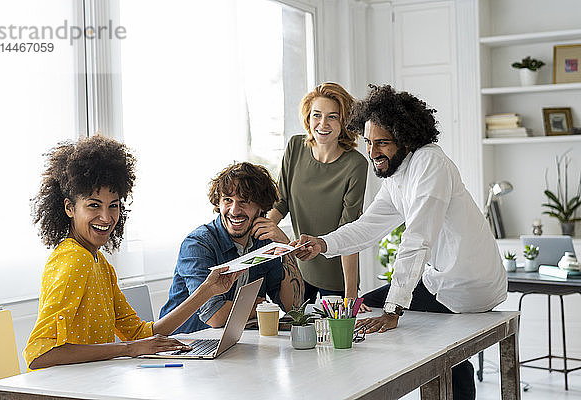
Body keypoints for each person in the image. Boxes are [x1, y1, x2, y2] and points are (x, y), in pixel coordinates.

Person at [293, 84, 508, 400]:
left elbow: (417, 239)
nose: (372, 151)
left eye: (382, 143)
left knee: (371, 310)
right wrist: (323, 244)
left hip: (466, 285)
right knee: (371, 307)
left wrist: (394, 309)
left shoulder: (429, 163)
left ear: (406, 140)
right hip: (444, 281)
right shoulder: (397, 174)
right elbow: (367, 227)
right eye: (368, 142)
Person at [24, 135, 243, 370]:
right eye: (94, 205)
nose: (107, 217)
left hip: (89, 384)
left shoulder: (98, 262)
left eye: (114, 205)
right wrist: (128, 349)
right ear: (69, 208)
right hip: (60, 390)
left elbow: (140, 334)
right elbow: (40, 354)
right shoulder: (73, 259)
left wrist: (208, 289)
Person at [159, 162, 304, 334]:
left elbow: (293, 308)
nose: (234, 211)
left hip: (236, 342)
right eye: (227, 200)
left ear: (261, 208)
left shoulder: (265, 241)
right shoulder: (198, 244)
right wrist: (257, 306)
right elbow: (215, 315)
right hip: (186, 343)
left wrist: (285, 247)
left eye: (244, 202)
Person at [266, 82, 368, 304]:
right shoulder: (295, 147)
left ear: (344, 121)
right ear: (308, 117)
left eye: (332, 116)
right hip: (299, 269)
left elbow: (349, 230)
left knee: (335, 337)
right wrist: (263, 230)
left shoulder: (356, 164)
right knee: (294, 335)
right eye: (317, 115)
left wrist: (351, 295)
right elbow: (281, 202)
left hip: (337, 277)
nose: (323, 124)